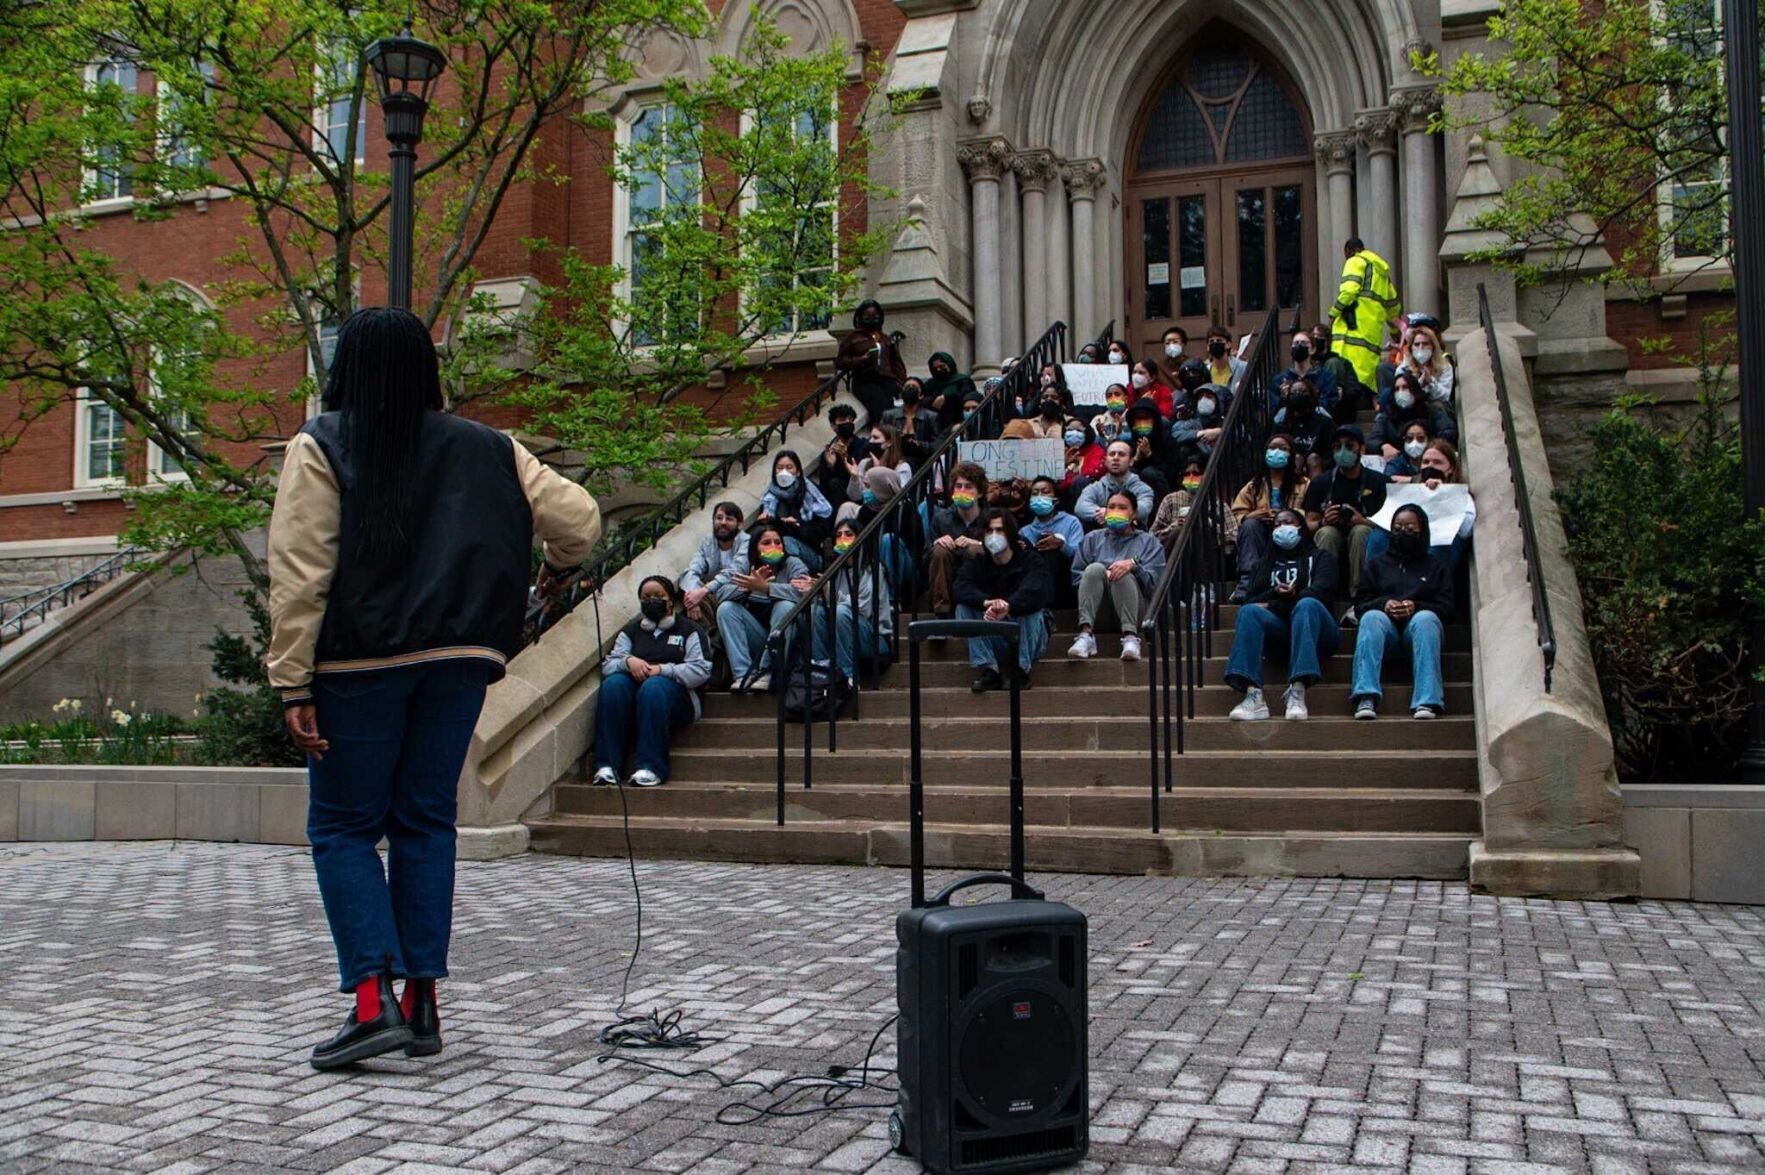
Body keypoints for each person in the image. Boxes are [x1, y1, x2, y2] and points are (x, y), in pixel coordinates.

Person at [268, 307, 602, 1070]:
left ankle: (368, 1002)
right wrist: (552, 568)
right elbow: (579, 521)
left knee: (345, 827)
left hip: (356, 665)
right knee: (425, 821)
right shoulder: (491, 446)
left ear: (345, 369)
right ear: (426, 367)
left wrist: (292, 681)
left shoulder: (321, 444)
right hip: (457, 659)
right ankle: (421, 1003)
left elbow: (300, 573)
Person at [593, 573, 711, 785]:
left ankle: (650, 767)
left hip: (679, 698)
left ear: (670, 600)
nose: (652, 600)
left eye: (658, 595)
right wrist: (628, 661)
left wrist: (663, 670)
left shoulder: (689, 630)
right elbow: (609, 665)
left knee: (654, 686)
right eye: (646, 596)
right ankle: (607, 765)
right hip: (639, 697)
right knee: (613, 685)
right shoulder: (631, 632)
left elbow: (701, 670)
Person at [1224, 507, 1340, 721]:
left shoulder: (1322, 558)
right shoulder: (1262, 565)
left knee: (1307, 604)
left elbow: (1323, 592)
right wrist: (1275, 593)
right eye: (1277, 525)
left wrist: (1275, 603)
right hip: (1280, 635)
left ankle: (1297, 690)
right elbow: (1250, 601)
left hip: (1318, 634)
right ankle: (1253, 695)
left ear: (1301, 527)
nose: (1282, 528)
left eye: (1288, 522)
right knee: (1249, 612)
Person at [1351, 504, 1453, 719]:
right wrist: (1384, 604)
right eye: (1397, 527)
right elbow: (1360, 605)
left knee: (1426, 619)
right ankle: (1365, 696)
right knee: (1371, 617)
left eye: (1409, 527)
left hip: (1419, 632)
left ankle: (1427, 701)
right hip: (1385, 632)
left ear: (1421, 530)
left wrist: (1416, 607)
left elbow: (1447, 609)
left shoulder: (1436, 566)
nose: (1403, 532)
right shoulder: (1376, 564)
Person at [955, 508, 1054, 690]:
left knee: (1033, 608)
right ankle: (989, 670)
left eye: (999, 530)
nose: (994, 535)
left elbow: (1037, 590)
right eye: (989, 531)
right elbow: (960, 587)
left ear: (1010, 533)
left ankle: (1020, 670)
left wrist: (1009, 606)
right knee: (963, 607)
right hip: (994, 633)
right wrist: (986, 602)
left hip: (1026, 635)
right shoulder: (978, 562)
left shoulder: (1030, 560)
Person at [1067, 489, 1165, 662]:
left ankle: (1130, 638)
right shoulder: (1092, 539)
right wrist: (1103, 575)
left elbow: (1156, 587)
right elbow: (1076, 579)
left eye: (1122, 507)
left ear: (1133, 513)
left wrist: (1135, 567)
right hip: (1098, 611)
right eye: (1111, 507)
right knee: (1094, 569)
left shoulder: (1149, 542)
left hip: (1136, 613)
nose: (1115, 511)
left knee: (1122, 571)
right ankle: (1085, 636)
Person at [1302, 424, 1389, 609]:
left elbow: (1390, 524)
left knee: (1360, 531)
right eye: (1337, 446)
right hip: (1332, 534)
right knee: (1327, 533)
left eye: (1349, 446)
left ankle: (1360, 595)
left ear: (1362, 449)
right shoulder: (1321, 482)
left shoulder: (1379, 482)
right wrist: (1324, 521)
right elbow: (1307, 524)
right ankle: (1323, 593)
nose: (1343, 451)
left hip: (1363, 534)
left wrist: (1362, 520)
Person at [715, 527, 808, 693]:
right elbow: (721, 593)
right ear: (755, 548)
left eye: (778, 542)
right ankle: (743, 675)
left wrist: (767, 588)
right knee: (726, 608)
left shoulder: (793, 563)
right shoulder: (747, 565)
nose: (773, 546)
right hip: (759, 638)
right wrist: (748, 587)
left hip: (788, 642)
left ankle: (766, 672)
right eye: (766, 543)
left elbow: (804, 593)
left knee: (785, 605)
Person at [805, 519, 894, 686]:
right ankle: (821, 671)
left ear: (859, 538)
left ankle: (847, 677)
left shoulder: (873, 569)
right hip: (842, 633)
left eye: (849, 534)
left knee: (841, 612)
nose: (843, 538)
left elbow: (863, 609)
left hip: (874, 638)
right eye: (838, 535)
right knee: (815, 611)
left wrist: (829, 591)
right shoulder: (835, 570)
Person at [1364, 439, 1476, 570]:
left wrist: (1443, 494)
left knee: (1439, 544)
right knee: (1378, 536)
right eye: (1426, 462)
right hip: (1405, 545)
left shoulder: (1461, 495)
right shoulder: (1408, 492)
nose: (1430, 466)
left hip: (1436, 550)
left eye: (1437, 462)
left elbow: (1466, 530)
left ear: (1450, 468)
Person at [1229, 434, 1310, 601]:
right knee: (1250, 524)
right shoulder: (1254, 485)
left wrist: (1286, 516)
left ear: (1291, 455)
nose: (1277, 452)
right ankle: (1246, 583)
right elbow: (1236, 513)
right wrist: (1253, 515)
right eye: (1272, 448)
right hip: (1263, 535)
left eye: (1283, 449)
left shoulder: (1304, 484)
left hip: (1293, 535)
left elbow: (1312, 514)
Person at [1329, 236, 1402, 392]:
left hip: (1351, 329)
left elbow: (1349, 291)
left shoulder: (1355, 261)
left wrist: (1333, 313)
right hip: (1371, 332)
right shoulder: (1382, 274)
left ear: (1350, 250)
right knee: (1365, 374)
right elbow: (1393, 307)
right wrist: (1396, 332)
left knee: (1346, 370)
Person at [926, 462, 989, 618]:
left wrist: (980, 544)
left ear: (979, 493)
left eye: (968, 487)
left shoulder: (991, 518)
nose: (962, 491)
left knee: (975, 550)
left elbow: (1005, 551)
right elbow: (925, 557)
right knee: (939, 551)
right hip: (949, 576)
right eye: (958, 486)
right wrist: (937, 543)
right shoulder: (941, 519)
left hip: (981, 581)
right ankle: (942, 614)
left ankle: (977, 607)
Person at [757, 450, 832, 571]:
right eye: (780, 468)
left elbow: (821, 533)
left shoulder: (809, 495)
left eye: (789, 467)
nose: (784, 472)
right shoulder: (769, 499)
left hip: (811, 553)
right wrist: (774, 522)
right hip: (776, 550)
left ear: (797, 472)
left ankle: (796, 577)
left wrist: (797, 525)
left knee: (787, 542)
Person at [680, 501, 751, 627]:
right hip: (713, 594)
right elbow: (692, 570)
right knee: (691, 588)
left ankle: (709, 634)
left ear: (739, 524)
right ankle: (709, 636)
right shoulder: (707, 541)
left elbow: (737, 571)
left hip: (736, 595)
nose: (723, 522)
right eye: (719, 518)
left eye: (729, 519)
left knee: (737, 588)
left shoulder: (747, 542)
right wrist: (693, 596)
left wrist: (704, 591)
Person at [834, 299, 906, 420]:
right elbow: (840, 362)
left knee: (895, 413)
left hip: (887, 380)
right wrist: (860, 359)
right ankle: (881, 434)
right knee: (880, 410)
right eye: (868, 316)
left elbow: (896, 363)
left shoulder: (885, 339)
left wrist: (900, 382)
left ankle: (894, 436)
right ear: (861, 317)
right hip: (866, 381)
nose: (872, 319)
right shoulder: (853, 338)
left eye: (875, 316)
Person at [1020, 474, 1083, 605]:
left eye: (1045, 492)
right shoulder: (1025, 531)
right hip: (1035, 582)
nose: (1040, 497)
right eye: (1035, 493)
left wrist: (1061, 545)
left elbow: (1080, 556)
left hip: (1064, 581)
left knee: (1052, 550)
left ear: (1056, 500)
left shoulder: (1071, 522)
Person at [1371, 370, 1457, 459]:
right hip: (1399, 462)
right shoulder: (1387, 416)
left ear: (1414, 390)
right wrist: (1383, 446)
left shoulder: (1431, 411)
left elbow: (1448, 431)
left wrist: (1430, 445)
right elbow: (1373, 441)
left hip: (1429, 459)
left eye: (1405, 387)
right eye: (1397, 389)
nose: (1401, 392)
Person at [1076, 439, 1156, 527]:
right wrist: (1109, 513)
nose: (1115, 458)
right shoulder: (1095, 487)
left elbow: (1143, 509)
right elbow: (1080, 507)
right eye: (1111, 454)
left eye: (1121, 454)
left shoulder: (1144, 489)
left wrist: (1109, 514)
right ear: (1105, 461)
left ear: (1131, 461)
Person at [1271, 329, 1339, 417]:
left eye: (1303, 343)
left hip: (1316, 421)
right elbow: (1274, 408)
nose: (1299, 346)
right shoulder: (1280, 379)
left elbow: (1329, 404)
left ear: (1313, 349)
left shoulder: (1325, 377)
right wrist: (1285, 398)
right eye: (1296, 343)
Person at [1124, 399, 1179, 501]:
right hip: (1137, 497)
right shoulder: (1129, 443)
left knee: (1149, 473)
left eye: (1146, 419)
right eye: (1138, 419)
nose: (1142, 423)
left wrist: (1150, 455)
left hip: (1164, 492)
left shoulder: (1167, 441)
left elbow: (1171, 473)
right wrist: (1136, 459)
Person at [817, 403, 870, 506]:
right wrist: (831, 466)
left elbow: (862, 475)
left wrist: (846, 458)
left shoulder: (863, 445)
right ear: (833, 426)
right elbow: (824, 485)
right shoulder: (828, 452)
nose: (847, 422)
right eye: (842, 419)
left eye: (850, 419)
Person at [1308, 323, 1362, 421]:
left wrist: (1344, 393)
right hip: (1312, 411)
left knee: (1333, 363)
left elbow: (1355, 390)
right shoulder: (1307, 363)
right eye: (1313, 337)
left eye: (1319, 336)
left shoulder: (1342, 362)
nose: (1316, 339)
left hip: (1339, 410)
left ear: (1327, 341)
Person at [1272, 378, 1337, 459]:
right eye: (1294, 392)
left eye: (1303, 391)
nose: (1298, 394)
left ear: (1311, 396)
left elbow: (1330, 452)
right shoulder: (1282, 423)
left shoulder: (1324, 422)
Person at [1393, 322, 1455, 406]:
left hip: (1434, 408)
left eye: (1425, 344)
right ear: (1411, 348)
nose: (1420, 348)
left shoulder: (1445, 367)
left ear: (1433, 347)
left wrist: (1430, 382)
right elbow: (1401, 397)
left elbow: (1445, 396)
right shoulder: (1403, 369)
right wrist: (1418, 385)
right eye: (1417, 344)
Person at [882, 376, 940, 463]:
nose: (910, 389)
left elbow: (937, 445)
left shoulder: (932, 417)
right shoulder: (889, 415)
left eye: (914, 387)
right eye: (907, 387)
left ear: (921, 395)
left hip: (922, 463)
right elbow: (881, 438)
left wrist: (918, 444)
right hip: (894, 461)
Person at [1151, 459, 1205, 552]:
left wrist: (1207, 525)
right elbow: (1152, 536)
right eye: (1187, 474)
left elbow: (1232, 535)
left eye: (1196, 474)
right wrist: (1174, 526)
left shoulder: (1216, 504)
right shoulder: (1170, 499)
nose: (1191, 477)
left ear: (1204, 476)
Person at [1172, 381, 1230, 464]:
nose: (1204, 400)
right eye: (1200, 397)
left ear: (1218, 401)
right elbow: (1175, 432)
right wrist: (1200, 433)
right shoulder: (1196, 422)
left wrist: (1219, 432)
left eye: (1209, 396)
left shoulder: (1227, 421)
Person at [1002, 371, 1071, 440]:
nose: (1049, 400)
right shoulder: (1027, 424)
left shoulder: (1069, 424)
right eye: (1045, 397)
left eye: (1054, 397)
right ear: (1039, 402)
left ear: (1061, 403)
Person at [925, 350, 978, 433]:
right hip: (936, 425)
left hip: (958, 421)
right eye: (935, 368)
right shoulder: (930, 384)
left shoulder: (963, 380)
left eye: (942, 366)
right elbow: (923, 399)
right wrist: (932, 402)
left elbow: (967, 396)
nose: (938, 370)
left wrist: (946, 398)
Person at [1059, 417, 1107, 504]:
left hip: (1085, 493)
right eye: (1069, 430)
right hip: (1061, 496)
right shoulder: (1058, 450)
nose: (1074, 433)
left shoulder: (1097, 451)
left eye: (1079, 430)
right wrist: (1063, 464)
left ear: (1087, 433)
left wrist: (1066, 481)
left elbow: (1092, 473)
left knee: (1080, 481)